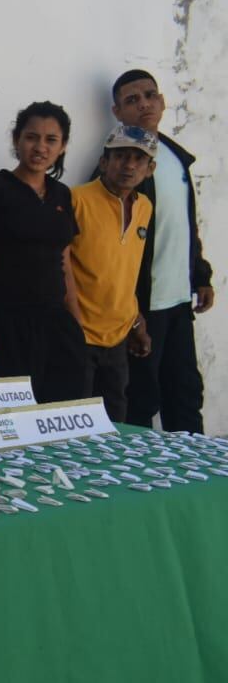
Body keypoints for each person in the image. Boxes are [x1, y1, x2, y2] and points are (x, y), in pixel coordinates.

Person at [107, 70, 214, 433]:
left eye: (150, 95)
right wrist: (130, 310)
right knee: (140, 401)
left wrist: (200, 275)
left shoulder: (173, 156)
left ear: (162, 101)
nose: (144, 104)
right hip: (142, 309)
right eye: (132, 100)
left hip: (179, 303)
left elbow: (186, 224)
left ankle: (199, 480)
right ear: (117, 111)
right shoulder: (117, 167)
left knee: (185, 396)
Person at [0, 101, 87, 402]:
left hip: (58, 325)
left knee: (64, 414)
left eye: (51, 140)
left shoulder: (62, 195)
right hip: (10, 325)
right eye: (31, 137)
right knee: (15, 418)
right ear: (16, 140)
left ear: (63, 146)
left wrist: (77, 327)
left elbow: (65, 263)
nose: (40, 147)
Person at [70, 125, 156, 422]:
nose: (129, 165)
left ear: (150, 169)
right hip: (78, 335)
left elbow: (125, 270)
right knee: (74, 423)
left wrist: (135, 322)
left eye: (138, 158)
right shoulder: (76, 200)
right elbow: (59, 266)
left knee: (114, 422)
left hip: (118, 337)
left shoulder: (145, 207)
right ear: (104, 162)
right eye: (120, 156)